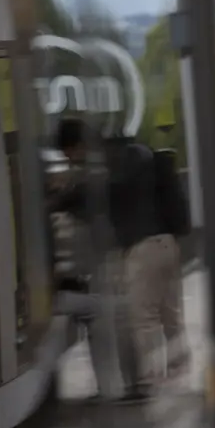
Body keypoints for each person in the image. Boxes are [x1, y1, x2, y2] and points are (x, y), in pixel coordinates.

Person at [53, 117, 182, 400]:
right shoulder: (132, 153)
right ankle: (175, 368)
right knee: (168, 312)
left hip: (142, 247)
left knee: (140, 317)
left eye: (68, 154)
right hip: (167, 241)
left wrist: (60, 198)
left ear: (76, 146)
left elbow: (95, 198)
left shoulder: (105, 165)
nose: (70, 161)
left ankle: (147, 381)